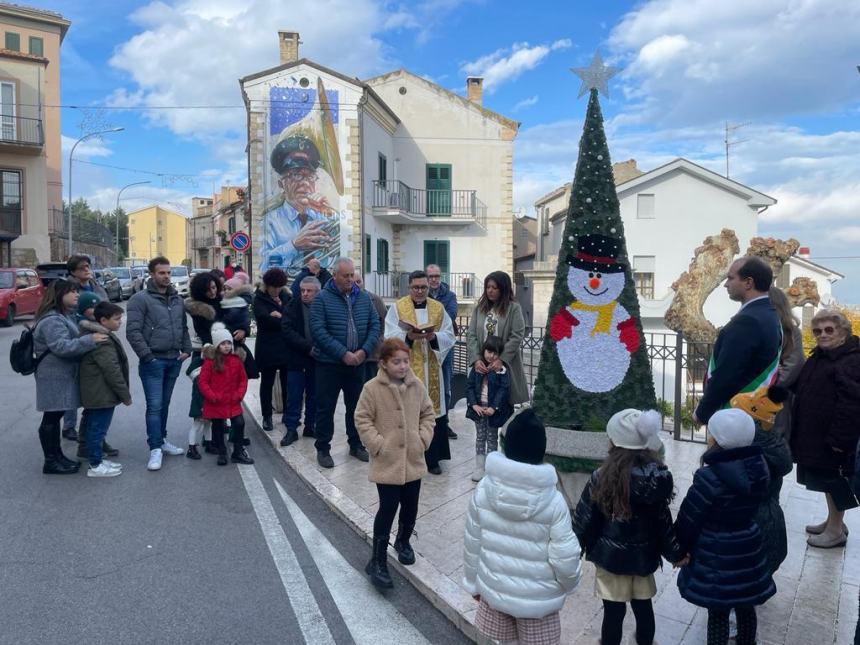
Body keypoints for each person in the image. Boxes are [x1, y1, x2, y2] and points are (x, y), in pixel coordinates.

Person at [463, 409, 582, 645]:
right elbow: (565, 557)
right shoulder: (554, 500)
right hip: (538, 605)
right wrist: (569, 584)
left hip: (493, 594)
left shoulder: (485, 489)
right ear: (541, 451)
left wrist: (473, 583)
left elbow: (472, 542)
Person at [572, 409, 684, 645]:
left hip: (611, 559)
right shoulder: (657, 479)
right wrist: (677, 553)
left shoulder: (602, 477)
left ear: (613, 441)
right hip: (643, 558)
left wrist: (573, 548)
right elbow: (663, 523)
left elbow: (585, 519)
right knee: (644, 608)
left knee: (613, 612)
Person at [674, 408, 775, 645]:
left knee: (718, 611)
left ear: (716, 440)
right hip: (747, 545)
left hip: (715, 550)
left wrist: (679, 548)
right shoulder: (759, 469)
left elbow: (691, 516)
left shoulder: (708, 478)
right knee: (746, 604)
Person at [355, 338, 436, 589]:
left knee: (410, 505)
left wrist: (422, 439)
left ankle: (403, 540)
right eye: (396, 362)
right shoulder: (372, 388)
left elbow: (428, 414)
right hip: (387, 463)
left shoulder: (417, 386)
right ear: (384, 363)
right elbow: (362, 419)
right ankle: (377, 558)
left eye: (405, 361)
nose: (402, 367)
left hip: (412, 460)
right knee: (388, 507)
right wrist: (378, 445)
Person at [790, 309, 860, 548]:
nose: (822, 335)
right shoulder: (821, 355)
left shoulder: (850, 359)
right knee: (827, 480)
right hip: (818, 433)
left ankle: (836, 530)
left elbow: (851, 404)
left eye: (829, 330)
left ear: (843, 332)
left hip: (834, 436)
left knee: (834, 480)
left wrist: (840, 440)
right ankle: (833, 521)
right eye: (818, 330)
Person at [694, 257, 782, 425]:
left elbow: (728, 374)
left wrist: (702, 413)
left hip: (734, 414)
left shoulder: (748, 320)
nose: (726, 284)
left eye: (731, 278)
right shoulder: (770, 314)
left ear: (748, 282)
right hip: (754, 411)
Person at [32, 279, 107, 474]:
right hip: (53, 375)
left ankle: (57, 457)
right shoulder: (52, 320)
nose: (76, 295)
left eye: (76, 291)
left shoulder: (64, 315)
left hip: (61, 374)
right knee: (51, 417)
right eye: (71, 292)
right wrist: (89, 340)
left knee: (54, 416)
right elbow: (61, 347)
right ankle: (51, 461)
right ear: (59, 295)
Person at [310, 257, 379, 468]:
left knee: (356, 407)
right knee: (325, 407)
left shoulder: (364, 298)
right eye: (346, 276)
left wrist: (363, 351)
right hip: (329, 364)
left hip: (357, 363)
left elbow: (375, 325)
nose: (350, 280)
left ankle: (356, 445)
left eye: (352, 275)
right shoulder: (321, 299)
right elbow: (318, 330)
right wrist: (343, 353)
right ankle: (323, 448)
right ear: (335, 276)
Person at [385, 270, 456, 475]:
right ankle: (408, 458)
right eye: (415, 287)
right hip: (407, 372)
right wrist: (408, 336)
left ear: (428, 287)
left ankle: (432, 459)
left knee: (432, 415)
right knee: (408, 415)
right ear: (409, 287)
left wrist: (434, 337)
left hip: (432, 368)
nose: (419, 291)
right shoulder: (399, 308)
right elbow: (389, 335)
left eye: (423, 287)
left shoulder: (438, 308)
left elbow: (449, 335)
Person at [126, 256, 191, 471]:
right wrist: (147, 356)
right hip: (153, 361)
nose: (166, 276)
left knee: (164, 404)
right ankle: (154, 448)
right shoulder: (140, 299)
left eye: (168, 272)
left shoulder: (177, 299)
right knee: (154, 406)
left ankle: (162, 440)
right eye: (161, 273)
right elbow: (133, 332)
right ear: (152, 274)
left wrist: (187, 349)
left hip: (173, 359)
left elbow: (183, 327)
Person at [260, 135, 339, 279]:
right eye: (296, 175)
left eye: (310, 177)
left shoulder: (324, 216)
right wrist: (294, 245)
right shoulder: (269, 221)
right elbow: (263, 267)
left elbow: (339, 252)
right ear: (281, 184)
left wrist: (329, 213)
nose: (305, 183)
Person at [78, 302, 131, 478]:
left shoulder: (100, 335)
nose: (120, 322)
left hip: (97, 390)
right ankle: (95, 464)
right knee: (98, 428)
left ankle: (97, 458)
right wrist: (125, 395)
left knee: (95, 426)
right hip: (100, 392)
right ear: (103, 320)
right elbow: (112, 370)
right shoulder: (102, 341)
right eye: (116, 319)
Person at [466, 271, 529, 407]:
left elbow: (517, 334)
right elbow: (471, 334)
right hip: (483, 365)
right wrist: (476, 359)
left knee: (502, 405)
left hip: (504, 365)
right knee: (482, 400)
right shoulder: (480, 308)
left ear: (503, 289)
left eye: (494, 288)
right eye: (488, 287)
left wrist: (502, 359)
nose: (490, 291)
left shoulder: (513, 308)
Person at [62, 258, 107, 443]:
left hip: (98, 340)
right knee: (72, 386)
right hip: (77, 339)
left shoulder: (96, 287)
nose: (87, 270)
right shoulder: (66, 290)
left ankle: (88, 428)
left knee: (94, 386)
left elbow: (107, 307)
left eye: (88, 266)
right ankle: (69, 425)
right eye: (82, 268)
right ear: (73, 272)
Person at [197, 324, 252, 465]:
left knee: (239, 423)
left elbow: (242, 379)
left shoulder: (236, 360)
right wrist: (212, 396)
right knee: (218, 426)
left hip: (233, 399)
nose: (226, 346)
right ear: (217, 345)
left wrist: (239, 394)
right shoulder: (210, 362)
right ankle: (222, 452)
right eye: (223, 344)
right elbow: (203, 382)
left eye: (229, 343)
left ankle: (238, 452)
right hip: (216, 400)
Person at [184, 272, 223, 458]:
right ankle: (194, 446)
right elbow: (203, 333)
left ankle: (210, 442)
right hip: (205, 353)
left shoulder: (222, 301)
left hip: (221, 351)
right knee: (203, 402)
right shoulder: (198, 309)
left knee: (215, 402)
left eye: (214, 287)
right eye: (208, 290)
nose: (212, 292)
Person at [465, 335, 513, 481]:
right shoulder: (477, 367)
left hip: (493, 411)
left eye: (495, 353)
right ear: (483, 350)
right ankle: (479, 467)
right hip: (478, 408)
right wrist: (474, 404)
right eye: (488, 352)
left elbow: (503, 389)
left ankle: (491, 468)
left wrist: (494, 407)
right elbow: (470, 387)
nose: (491, 356)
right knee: (480, 437)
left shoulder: (501, 370)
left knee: (492, 438)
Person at [281, 276, 321, 446]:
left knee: (314, 395)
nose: (304, 294)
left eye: (309, 291)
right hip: (297, 359)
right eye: (302, 290)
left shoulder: (323, 307)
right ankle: (291, 429)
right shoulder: (292, 306)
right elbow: (287, 330)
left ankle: (310, 426)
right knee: (294, 395)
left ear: (317, 292)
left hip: (318, 360)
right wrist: (307, 347)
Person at [252, 268, 291, 432]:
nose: (276, 290)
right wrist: (277, 318)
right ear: (267, 285)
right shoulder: (259, 298)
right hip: (267, 347)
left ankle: (288, 415)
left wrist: (278, 315)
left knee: (287, 383)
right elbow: (263, 320)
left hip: (285, 347)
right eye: (273, 287)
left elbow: (291, 319)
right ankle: (267, 416)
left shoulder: (287, 296)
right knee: (266, 384)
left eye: (279, 287)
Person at [769, 286, 805, 443]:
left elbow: (794, 364)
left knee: (774, 440)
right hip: (749, 398)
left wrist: (770, 381)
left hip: (775, 398)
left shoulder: (790, 331)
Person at [427, 264, 459, 439]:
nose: (433, 279)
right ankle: (428, 421)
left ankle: (444, 423)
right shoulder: (421, 294)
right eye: (430, 276)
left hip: (445, 346)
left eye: (436, 276)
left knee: (445, 387)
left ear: (441, 277)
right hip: (425, 346)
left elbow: (450, 316)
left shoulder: (450, 296)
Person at [353, 272, 387, 382]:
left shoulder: (376, 300)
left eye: (358, 282)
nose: (356, 285)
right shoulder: (344, 300)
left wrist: (378, 341)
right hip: (353, 355)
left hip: (372, 355)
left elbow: (384, 324)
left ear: (363, 283)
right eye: (353, 283)